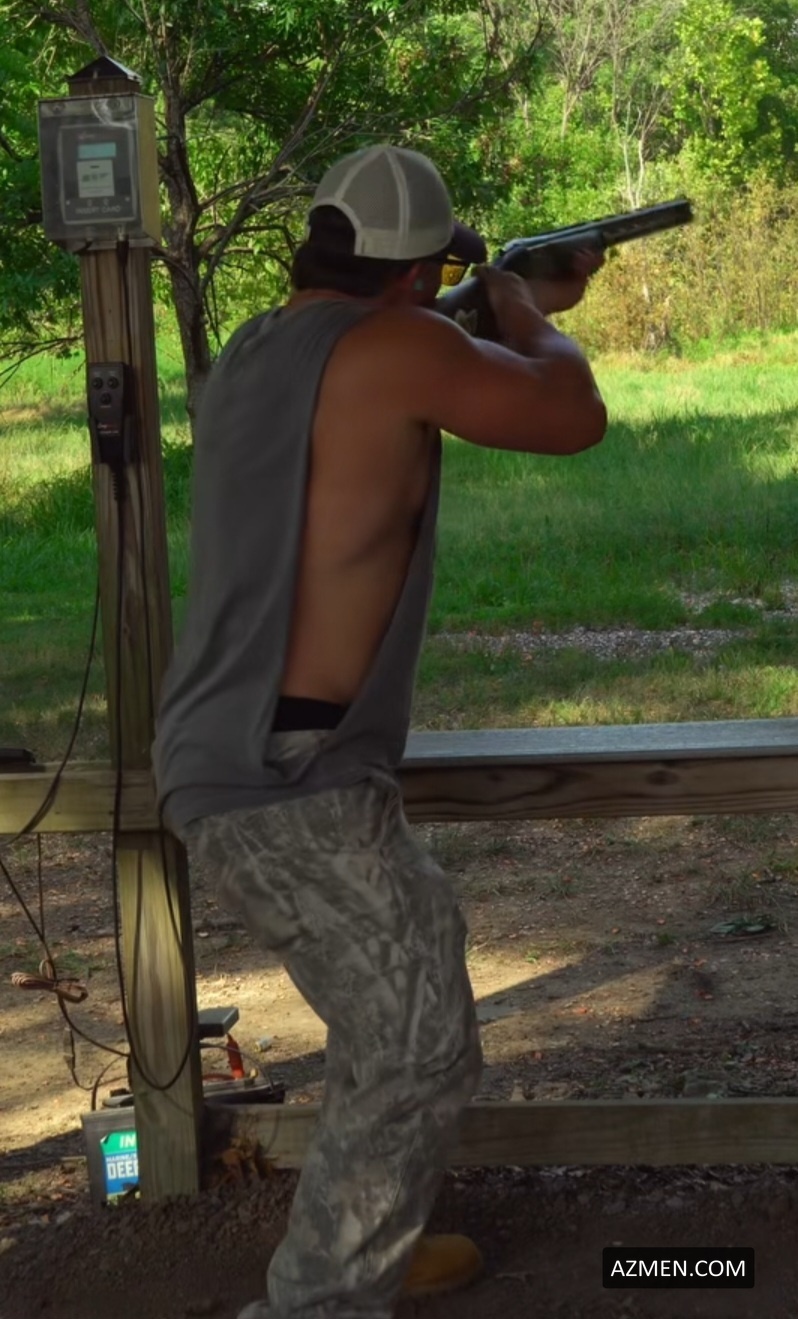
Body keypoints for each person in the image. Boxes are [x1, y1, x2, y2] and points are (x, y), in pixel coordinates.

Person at [152, 144, 606, 1319]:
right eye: (439, 277)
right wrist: (517, 306)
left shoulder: (257, 347)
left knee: (386, 1017)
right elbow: (572, 414)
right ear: (418, 276)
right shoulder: (402, 344)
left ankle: (369, 1250)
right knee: (420, 1044)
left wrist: (481, 305)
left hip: (231, 755)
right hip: (292, 776)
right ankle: (319, 1298)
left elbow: (378, 368)